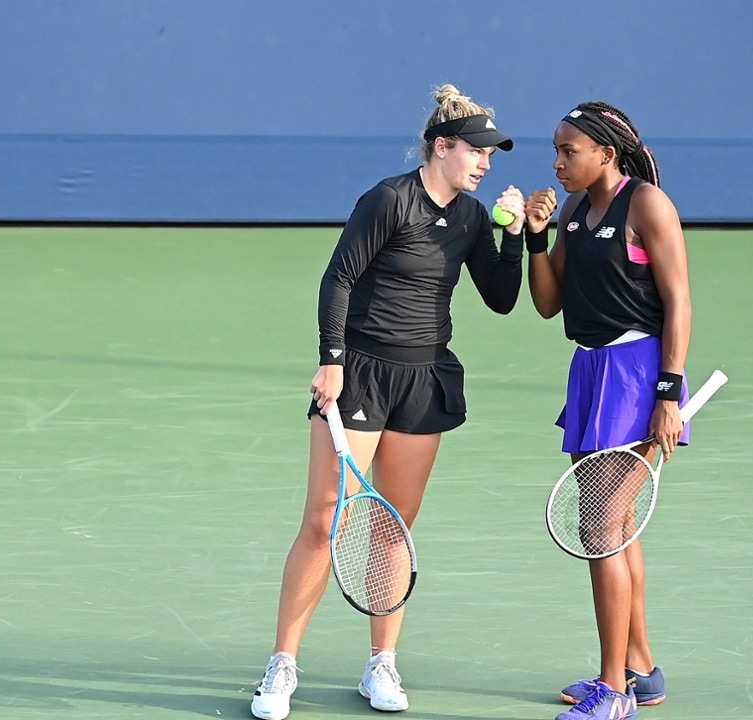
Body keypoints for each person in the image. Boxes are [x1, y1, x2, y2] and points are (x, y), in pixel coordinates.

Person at [250, 84, 527, 720]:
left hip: (423, 378)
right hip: (362, 375)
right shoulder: (389, 199)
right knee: (325, 519)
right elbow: (338, 276)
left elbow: (502, 297)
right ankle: (282, 665)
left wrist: (517, 234)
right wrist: (332, 361)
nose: (485, 163)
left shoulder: (471, 216)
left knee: (393, 526)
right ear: (442, 147)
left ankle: (382, 663)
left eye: (491, 155)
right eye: (476, 152)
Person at [523, 101, 691, 720]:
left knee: (598, 533)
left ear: (605, 155)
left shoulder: (647, 205)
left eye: (569, 151)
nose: (559, 163)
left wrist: (669, 394)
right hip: (591, 372)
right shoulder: (572, 211)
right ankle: (641, 670)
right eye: (557, 151)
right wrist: (533, 238)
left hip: (640, 376)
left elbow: (679, 303)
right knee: (616, 531)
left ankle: (614, 690)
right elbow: (547, 302)